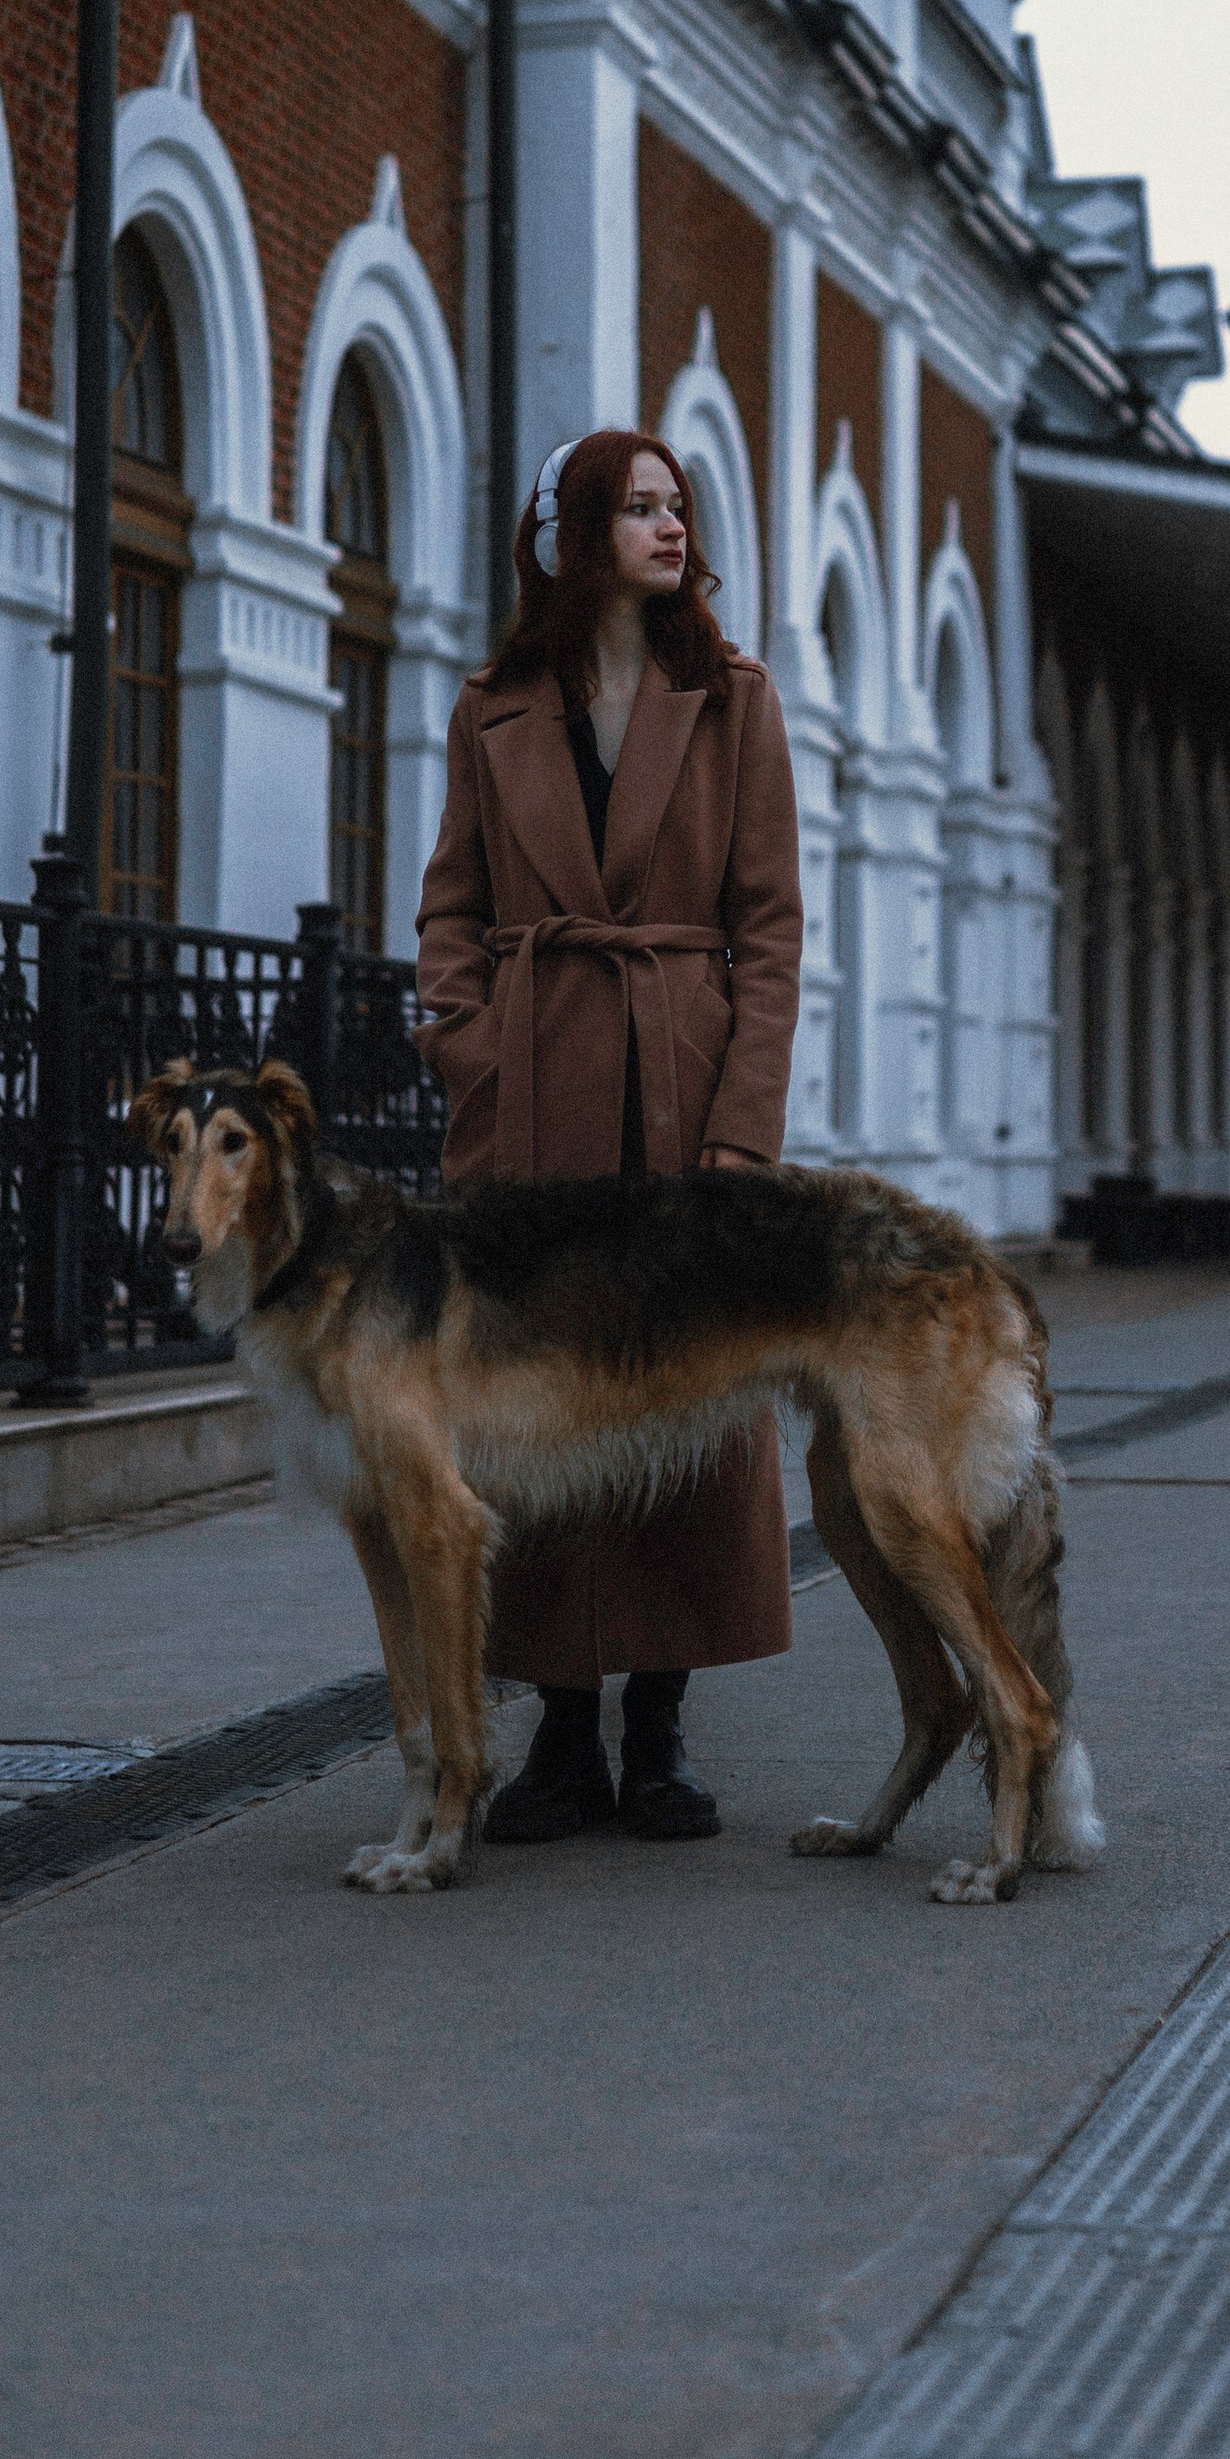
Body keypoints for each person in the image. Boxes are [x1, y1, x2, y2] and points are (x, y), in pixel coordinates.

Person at [414, 427, 806, 1842]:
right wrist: (471, 1052)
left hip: (679, 1088)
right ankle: (563, 1734)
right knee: (537, 1406)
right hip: (532, 1100)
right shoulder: (494, 705)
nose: (670, 527)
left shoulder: (733, 698)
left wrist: (739, 1137)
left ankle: (660, 1729)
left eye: (677, 506)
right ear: (578, 535)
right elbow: (450, 907)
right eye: (640, 508)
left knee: (680, 1396)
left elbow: (770, 934)